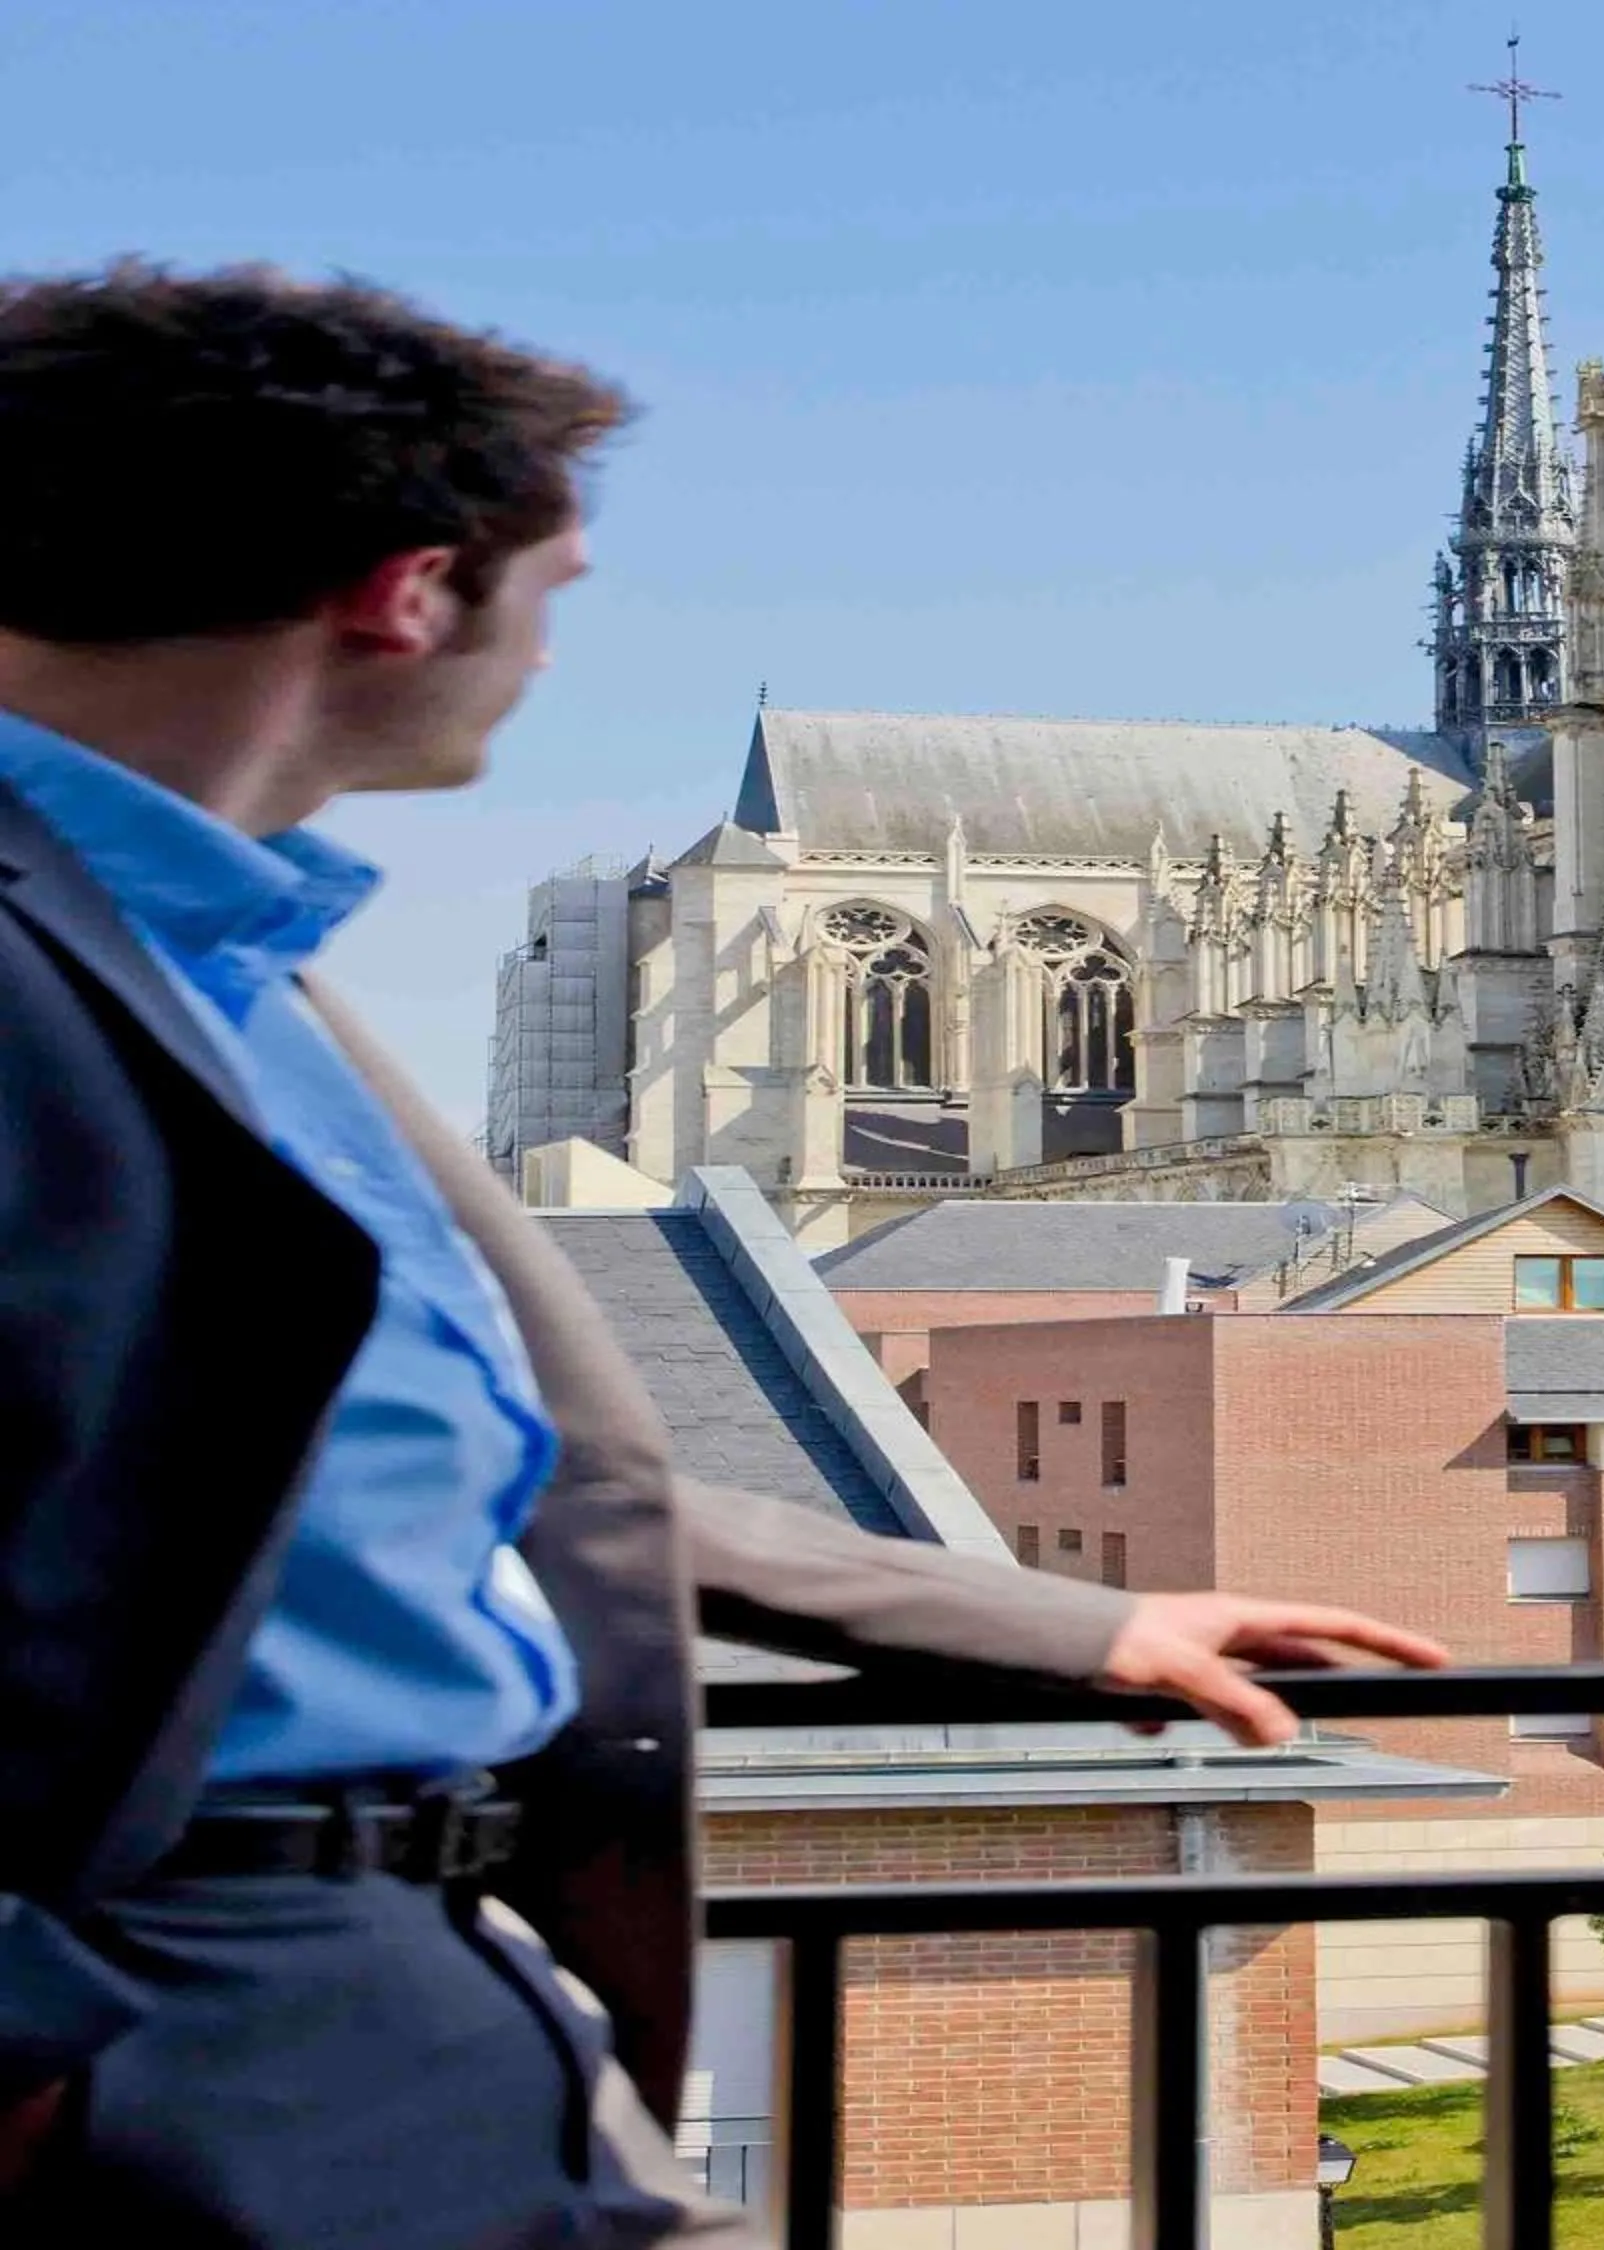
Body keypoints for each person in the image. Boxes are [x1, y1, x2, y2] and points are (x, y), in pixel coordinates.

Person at [0, 265, 1448, 2248]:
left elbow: (484, 1473)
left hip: (406, 1978)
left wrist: (1052, 1626)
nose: (551, 655)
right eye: (559, 590)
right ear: (403, 593)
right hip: (166, 2026)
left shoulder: (233, 968)